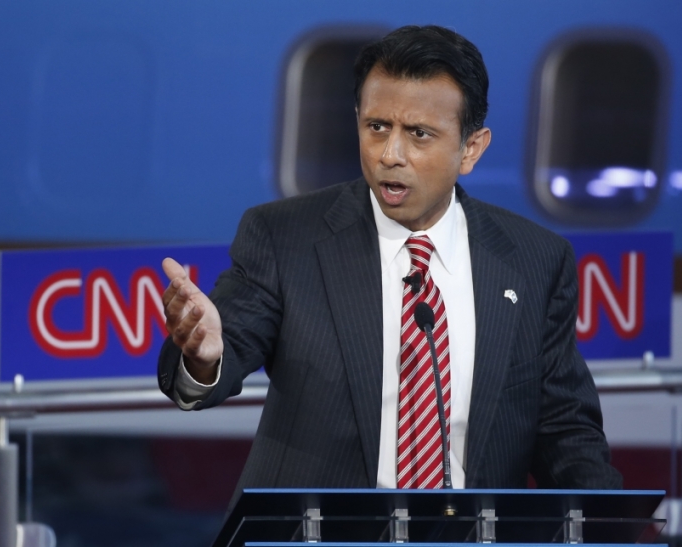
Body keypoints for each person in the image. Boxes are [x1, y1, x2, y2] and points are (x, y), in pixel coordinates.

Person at [158, 25, 621, 494]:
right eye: (377, 127)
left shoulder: (534, 260)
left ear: (471, 149)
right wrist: (204, 358)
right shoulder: (285, 238)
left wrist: (617, 522)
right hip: (319, 528)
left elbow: (564, 428)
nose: (390, 155)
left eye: (419, 134)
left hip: (467, 529)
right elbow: (223, 350)